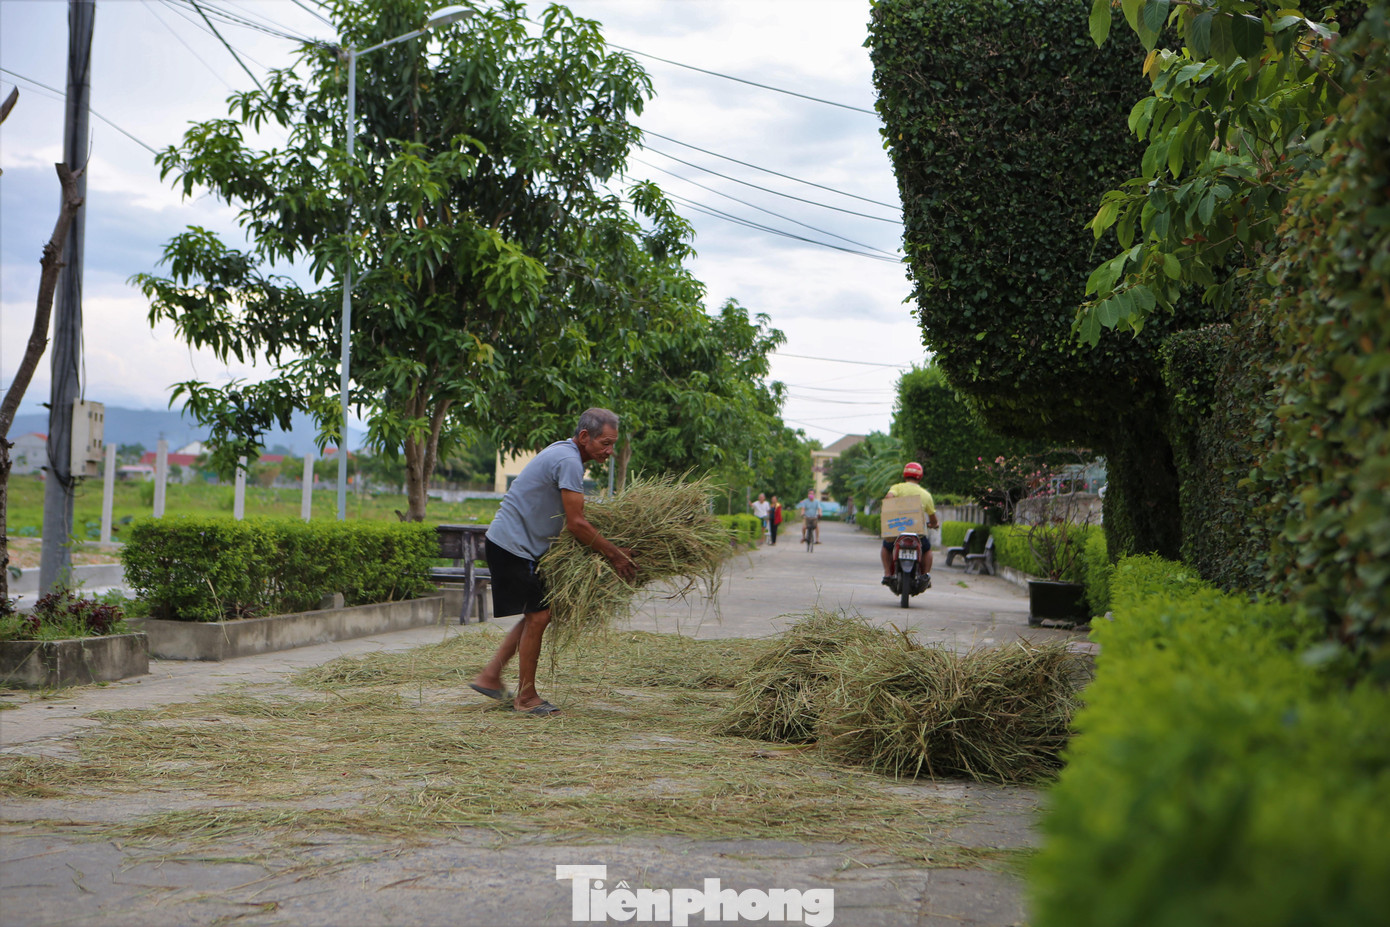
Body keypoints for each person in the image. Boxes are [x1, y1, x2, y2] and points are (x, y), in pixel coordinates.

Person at [471, 408, 636, 716]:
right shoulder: (569, 460)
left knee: (535, 615)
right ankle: (526, 697)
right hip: (512, 546)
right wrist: (615, 555)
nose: (610, 451)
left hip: (514, 545)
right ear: (585, 437)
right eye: (605, 443)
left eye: (613, 444)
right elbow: (576, 523)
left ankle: (491, 675)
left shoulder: (566, 454)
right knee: (539, 616)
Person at [881, 462, 939, 586]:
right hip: (917, 534)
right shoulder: (926, 494)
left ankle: (887, 574)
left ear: (905, 474)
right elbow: (933, 518)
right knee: (927, 550)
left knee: (886, 547)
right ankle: (925, 575)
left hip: (898, 532)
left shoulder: (897, 488)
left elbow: (888, 498)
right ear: (920, 476)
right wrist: (933, 524)